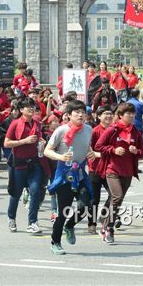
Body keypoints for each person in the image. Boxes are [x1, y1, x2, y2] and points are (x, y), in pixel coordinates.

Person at [43, 100, 96, 255]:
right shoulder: (61, 130)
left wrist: (91, 152)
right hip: (65, 175)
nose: (80, 115)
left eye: (83, 112)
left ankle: (70, 226)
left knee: (86, 205)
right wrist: (61, 157)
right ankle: (55, 242)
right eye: (76, 112)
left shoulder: (88, 129)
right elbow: (47, 151)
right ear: (68, 115)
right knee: (63, 211)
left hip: (79, 174)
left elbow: (87, 146)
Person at [95, 103, 143, 243]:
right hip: (112, 169)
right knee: (116, 197)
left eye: (132, 113)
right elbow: (99, 146)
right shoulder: (113, 129)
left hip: (128, 171)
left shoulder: (135, 131)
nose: (130, 116)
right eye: (127, 113)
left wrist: (136, 151)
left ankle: (104, 221)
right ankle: (108, 228)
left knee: (117, 200)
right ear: (120, 115)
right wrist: (113, 150)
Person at [4, 98, 45, 234]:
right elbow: (7, 143)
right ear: (21, 110)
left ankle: (32, 222)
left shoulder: (38, 124)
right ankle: (12, 218)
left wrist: (41, 142)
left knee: (35, 191)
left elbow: (39, 138)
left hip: (34, 163)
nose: (31, 109)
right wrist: (24, 141)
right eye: (28, 107)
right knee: (15, 193)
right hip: (18, 164)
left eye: (32, 106)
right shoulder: (15, 124)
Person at [87, 106, 114, 235]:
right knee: (94, 199)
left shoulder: (115, 131)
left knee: (115, 195)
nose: (108, 116)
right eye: (105, 114)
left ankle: (103, 215)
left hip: (110, 169)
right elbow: (89, 149)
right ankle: (91, 224)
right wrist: (100, 155)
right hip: (95, 169)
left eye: (110, 114)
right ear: (98, 117)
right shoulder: (94, 132)